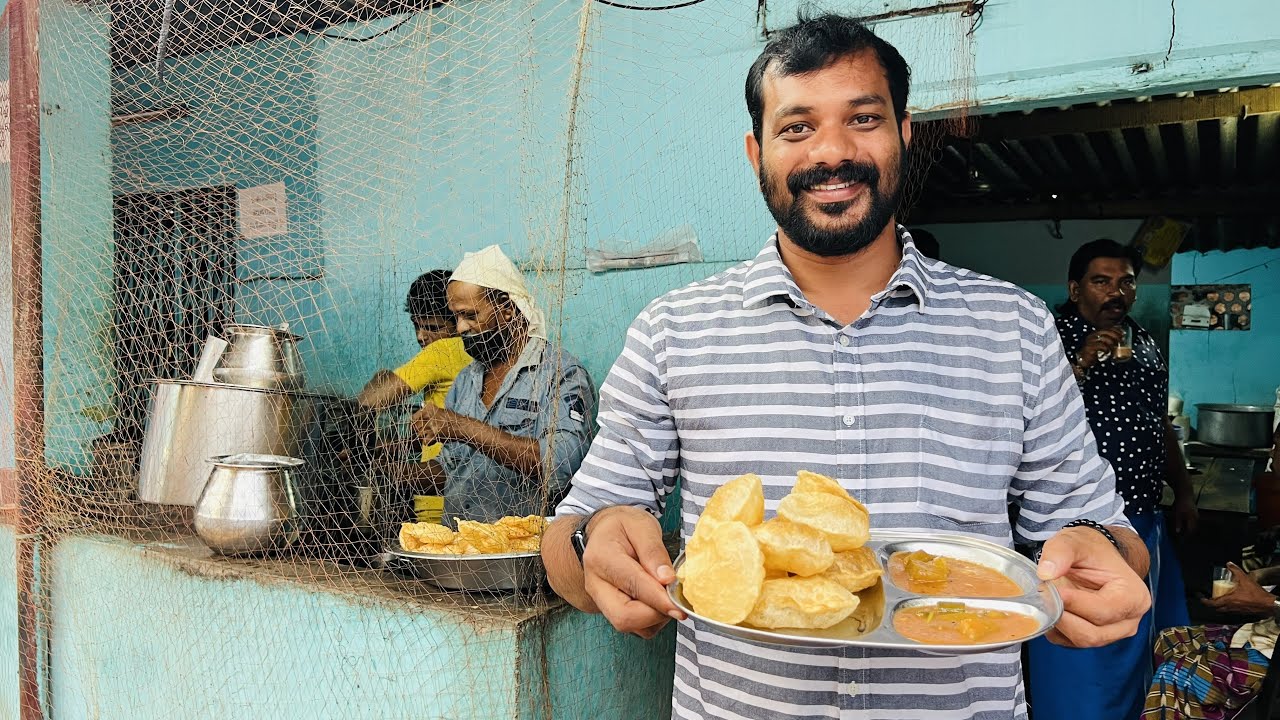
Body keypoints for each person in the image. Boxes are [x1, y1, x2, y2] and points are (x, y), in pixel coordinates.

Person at [541, 14, 1150, 719]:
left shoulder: (1013, 328)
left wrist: (1098, 546)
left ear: (904, 134)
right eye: (797, 127)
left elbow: (1107, 531)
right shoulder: (673, 331)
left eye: (863, 118)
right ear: (755, 151)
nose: (832, 152)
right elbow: (567, 541)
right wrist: (591, 544)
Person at [1028, 239, 1198, 720]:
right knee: (1080, 646)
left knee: (1141, 638)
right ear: (1075, 287)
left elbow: (1159, 424)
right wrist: (1080, 362)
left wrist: (1182, 492)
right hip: (1075, 529)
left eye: (1125, 281)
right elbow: (1030, 423)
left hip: (1143, 519)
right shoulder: (1048, 340)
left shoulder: (1142, 341)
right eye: (1101, 281)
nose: (1115, 292)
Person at [409, 245, 597, 524]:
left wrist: (463, 428)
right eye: (456, 317)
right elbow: (453, 469)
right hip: (461, 548)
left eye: (470, 315)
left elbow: (560, 465)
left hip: (525, 551)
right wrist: (395, 472)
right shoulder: (466, 381)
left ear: (507, 309)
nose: (460, 328)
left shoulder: (560, 375)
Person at [356, 269, 471, 463]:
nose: (420, 336)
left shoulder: (443, 351)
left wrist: (382, 376)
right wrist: (388, 449)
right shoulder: (472, 353)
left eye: (434, 328)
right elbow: (445, 438)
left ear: (458, 322)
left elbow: (369, 400)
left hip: (438, 488)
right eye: (417, 325)